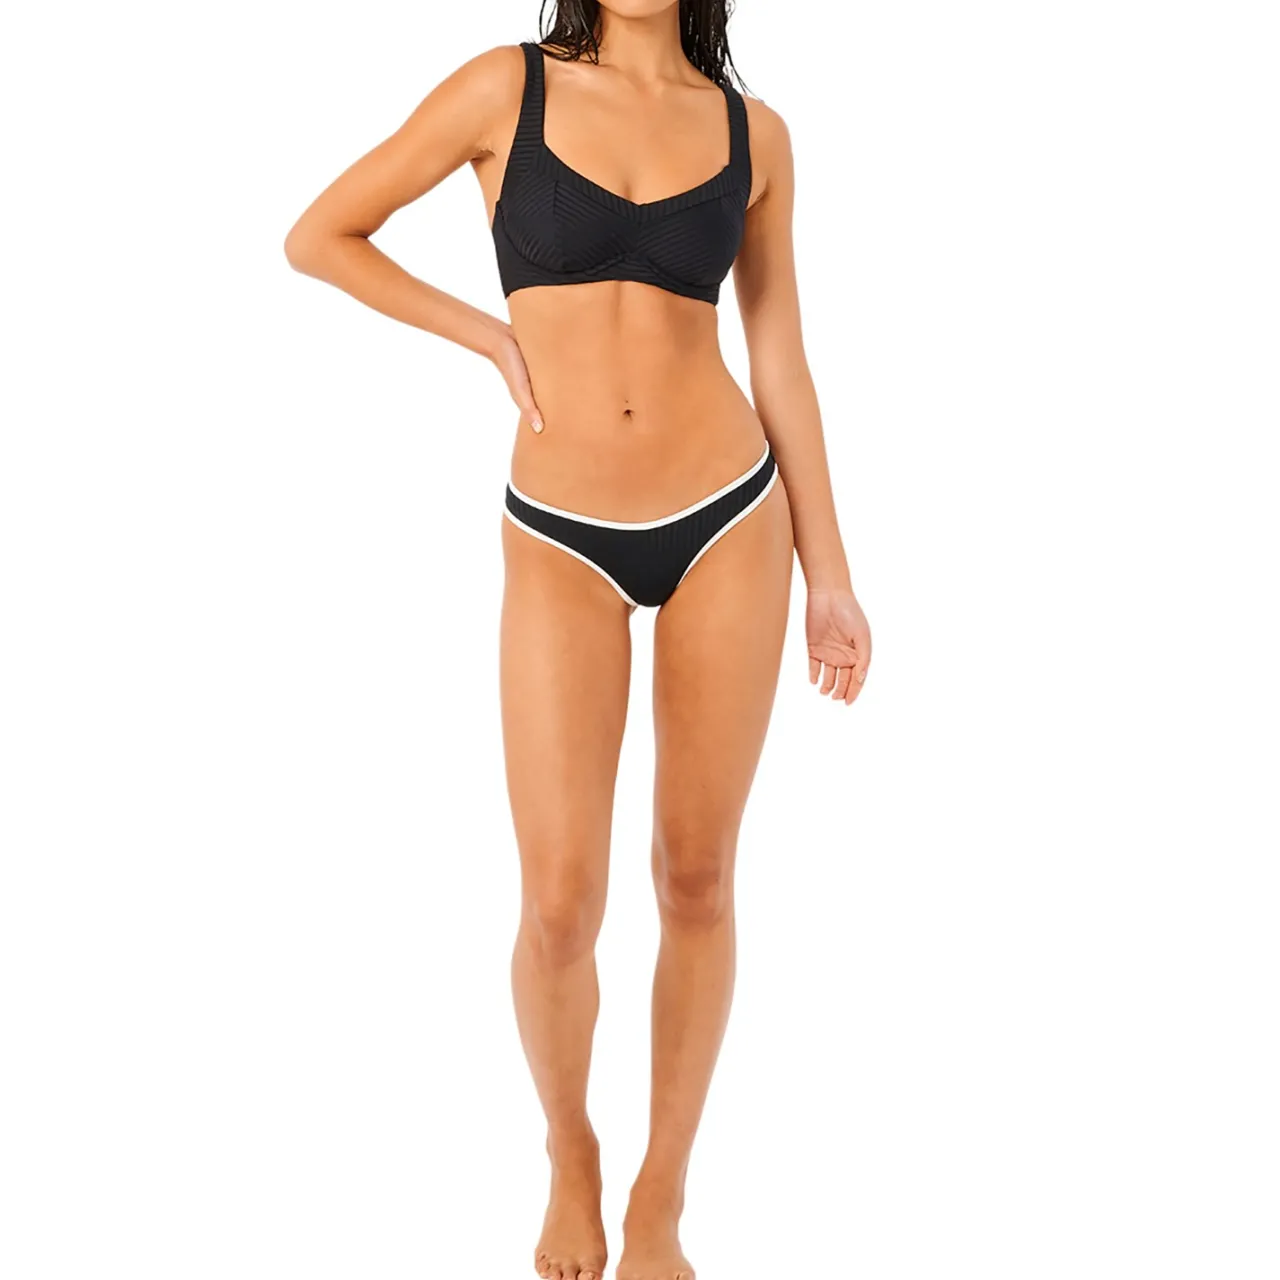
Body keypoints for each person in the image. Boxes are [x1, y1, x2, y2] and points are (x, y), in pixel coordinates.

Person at [285, 3, 871, 1277]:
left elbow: (778, 355)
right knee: (558, 902)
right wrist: (488, 335)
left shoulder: (755, 134)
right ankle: (570, 1149)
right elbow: (319, 234)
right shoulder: (504, 89)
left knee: (697, 877)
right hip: (558, 532)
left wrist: (828, 572)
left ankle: (661, 1191)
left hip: (729, 516)